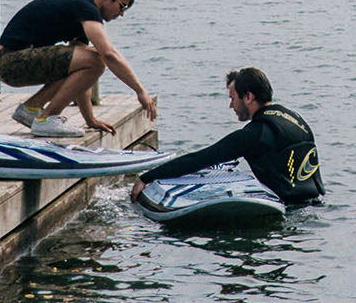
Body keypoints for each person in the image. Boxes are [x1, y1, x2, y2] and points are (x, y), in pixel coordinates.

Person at [0, 0, 158, 138]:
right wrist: (140, 91)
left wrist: (90, 119)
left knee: (87, 60)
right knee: (96, 58)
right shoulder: (85, 7)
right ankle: (46, 119)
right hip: (10, 60)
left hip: (11, 61)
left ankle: (31, 109)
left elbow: (83, 76)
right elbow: (109, 54)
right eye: (122, 6)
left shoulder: (81, 14)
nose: (122, 14)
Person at [131, 67, 324, 205]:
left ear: (248, 97)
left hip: (287, 208)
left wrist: (147, 177)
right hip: (315, 202)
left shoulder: (255, 134)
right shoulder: (296, 119)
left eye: (233, 98)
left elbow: (201, 158)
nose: (231, 106)